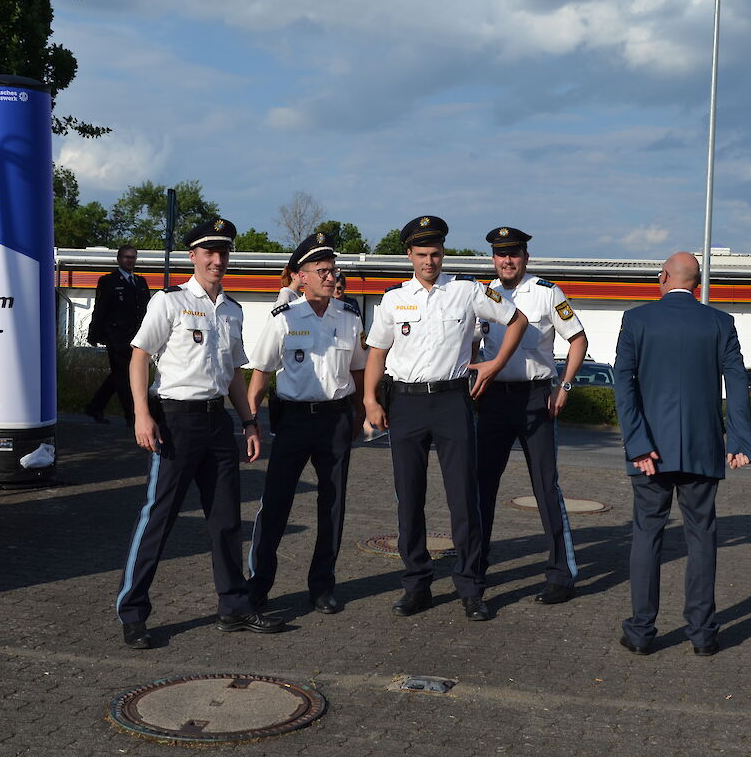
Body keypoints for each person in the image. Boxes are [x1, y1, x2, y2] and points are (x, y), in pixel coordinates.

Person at [115, 217, 280, 649]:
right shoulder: (168, 302)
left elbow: (232, 377)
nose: (217, 259)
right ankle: (132, 613)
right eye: (209, 251)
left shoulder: (232, 310)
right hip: (175, 421)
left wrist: (249, 422)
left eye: (223, 252)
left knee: (226, 520)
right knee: (160, 518)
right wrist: (141, 415)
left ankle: (234, 606)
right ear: (193, 256)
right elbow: (138, 357)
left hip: (217, 423)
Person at [363, 215, 528, 622]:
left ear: (443, 253)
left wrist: (494, 364)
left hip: (453, 401)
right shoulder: (393, 298)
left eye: (435, 253)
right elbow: (377, 353)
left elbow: (517, 319)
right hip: (406, 403)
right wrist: (369, 399)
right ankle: (416, 584)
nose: (429, 261)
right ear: (409, 255)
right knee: (409, 499)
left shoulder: (467, 291)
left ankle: (471, 586)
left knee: (463, 499)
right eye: (421, 254)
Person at [613, 252, 751, 657]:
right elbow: (738, 383)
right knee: (702, 537)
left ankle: (641, 633)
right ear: (697, 285)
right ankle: (703, 634)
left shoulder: (636, 319)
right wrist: (740, 440)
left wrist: (637, 442)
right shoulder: (720, 323)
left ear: (662, 279)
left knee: (646, 536)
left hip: (649, 453)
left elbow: (623, 384)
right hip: (702, 449)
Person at [245, 232, 367, 615]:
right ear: (302, 276)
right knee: (276, 504)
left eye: (333, 270)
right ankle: (259, 585)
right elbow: (260, 375)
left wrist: (359, 416)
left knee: (332, 505)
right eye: (323, 271)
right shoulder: (283, 319)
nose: (331, 277)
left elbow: (360, 370)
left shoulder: (348, 317)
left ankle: (322, 586)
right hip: (294, 421)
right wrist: (251, 423)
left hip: (335, 421)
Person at [475, 226, 587, 605]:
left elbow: (578, 339)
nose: (507, 260)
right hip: (492, 400)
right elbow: (471, 342)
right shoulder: (482, 294)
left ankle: (561, 574)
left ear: (525, 256)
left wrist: (565, 386)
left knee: (546, 487)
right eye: (500, 254)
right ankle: (476, 565)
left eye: (514, 253)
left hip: (536, 399)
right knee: (480, 487)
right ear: (493, 258)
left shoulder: (547, 293)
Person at [85, 245, 150, 424]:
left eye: (133, 257)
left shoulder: (140, 282)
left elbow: (147, 310)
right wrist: (94, 333)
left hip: (136, 337)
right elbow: (100, 309)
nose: (130, 260)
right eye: (126, 257)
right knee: (124, 375)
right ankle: (131, 415)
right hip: (116, 336)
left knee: (118, 374)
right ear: (119, 259)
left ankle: (95, 407)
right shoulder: (109, 281)